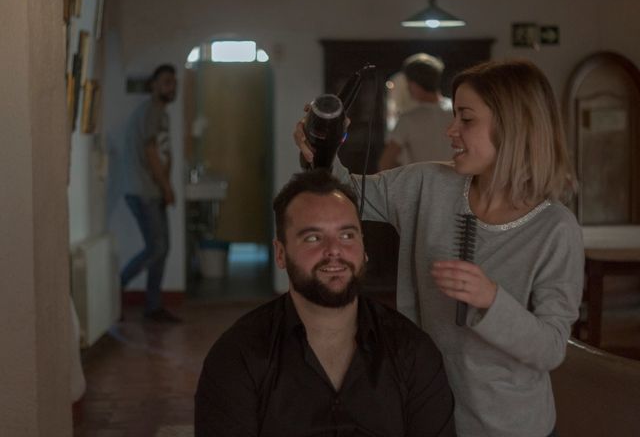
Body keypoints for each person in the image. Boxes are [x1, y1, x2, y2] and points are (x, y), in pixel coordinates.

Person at [295, 59, 584, 436]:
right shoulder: (427, 184)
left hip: (511, 427)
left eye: (466, 119)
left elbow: (550, 348)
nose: (451, 131)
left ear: (513, 126)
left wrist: (490, 300)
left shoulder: (555, 228)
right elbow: (346, 196)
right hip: (426, 414)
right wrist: (324, 149)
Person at [195, 170, 456, 437]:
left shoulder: (412, 352)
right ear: (281, 254)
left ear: (364, 249)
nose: (334, 250)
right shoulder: (237, 356)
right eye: (313, 238)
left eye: (347, 235)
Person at [120, 64, 182, 323]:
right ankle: (115, 289)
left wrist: (165, 186)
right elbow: (151, 152)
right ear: (154, 85)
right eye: (166, 82)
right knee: (157, 248)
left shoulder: (160, 113)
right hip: (144, 190)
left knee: (161, 248)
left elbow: (161, 153)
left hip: (151, 190)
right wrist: (167, 187)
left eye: (173, 83)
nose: (171, 87)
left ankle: (153, 306)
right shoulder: (152, 111)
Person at [378, 53, 452, 170]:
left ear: (414, 84)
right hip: (455, 183)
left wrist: (408, 175)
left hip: (422, 185)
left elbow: (385, 163)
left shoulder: (408, 119)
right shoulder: (456, 111)